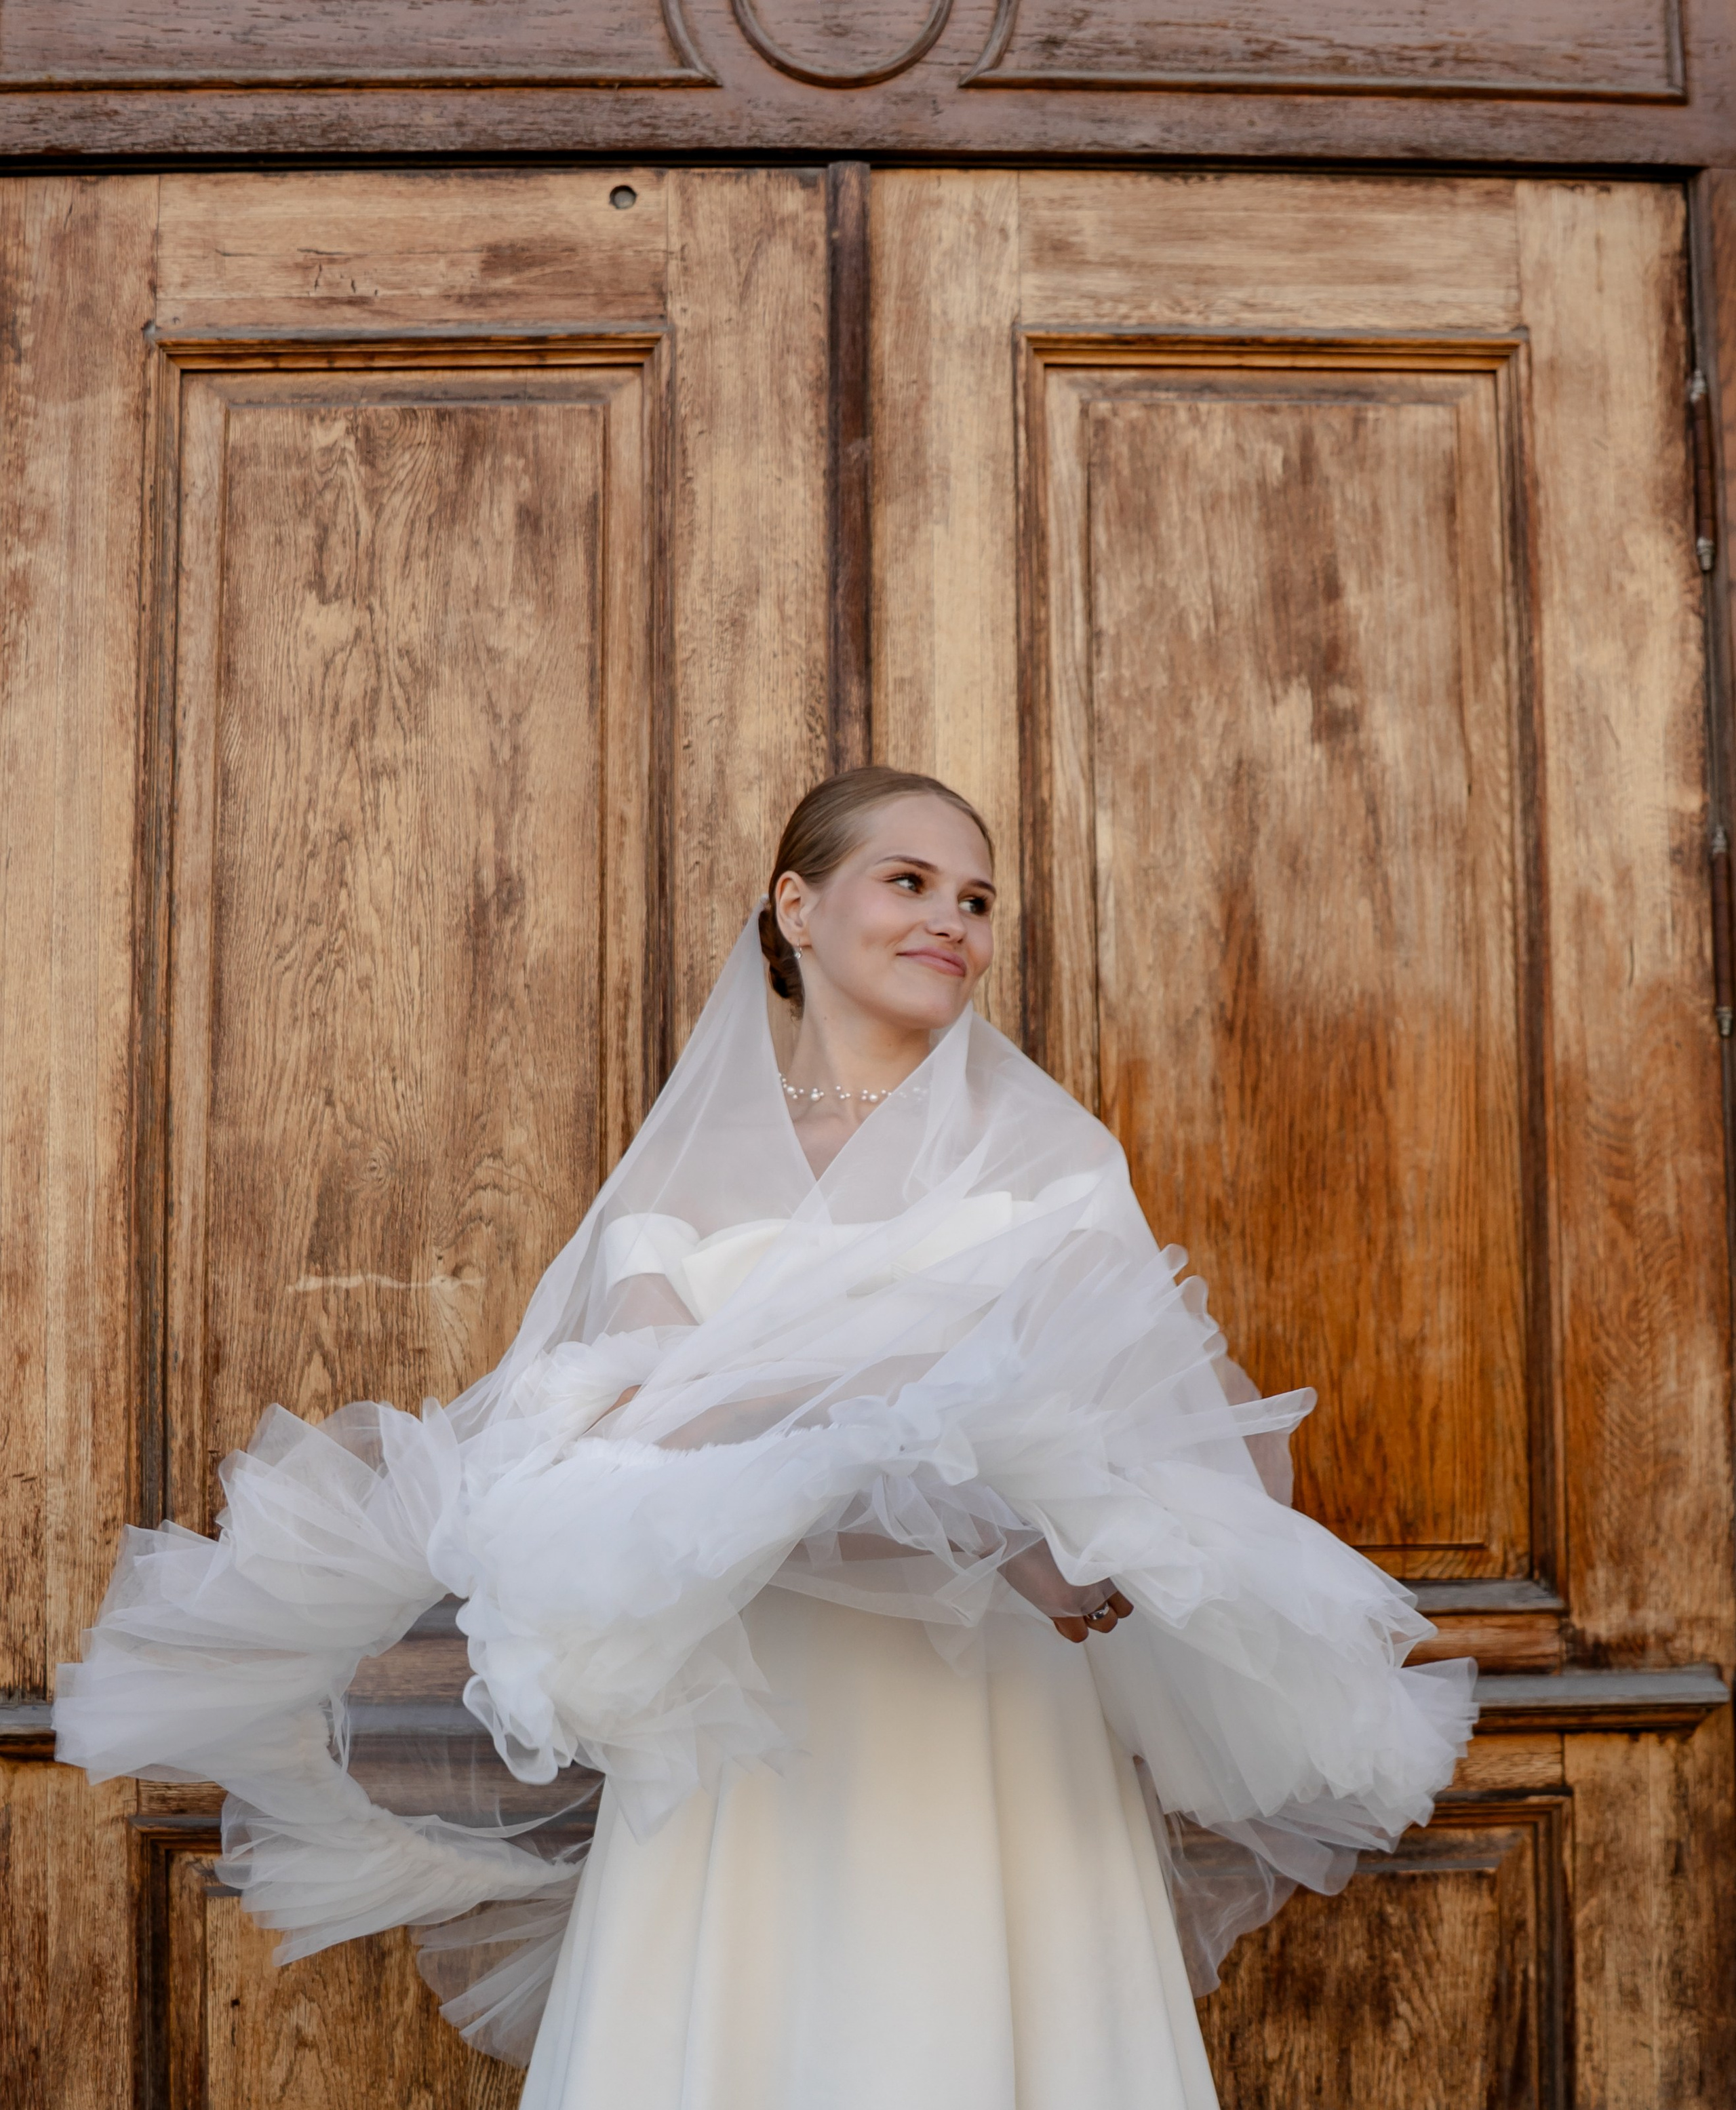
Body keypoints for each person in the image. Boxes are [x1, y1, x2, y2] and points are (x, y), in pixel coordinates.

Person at [56, 766, 1476, 2109]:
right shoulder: (680, 1171)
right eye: (908, 880)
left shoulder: (1048, 1159)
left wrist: (827, 1425)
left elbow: (1122, 1428)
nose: (949, 921)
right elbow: (642, 1439)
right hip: (752, 1695)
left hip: (985, 1694)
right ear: (798, 908)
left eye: (976, 899)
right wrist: (929, 1436)